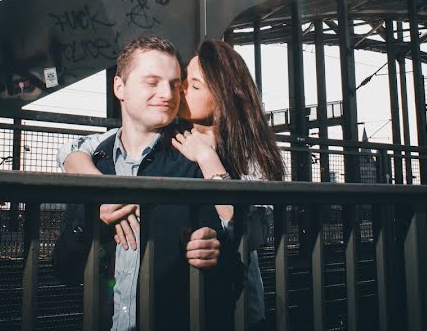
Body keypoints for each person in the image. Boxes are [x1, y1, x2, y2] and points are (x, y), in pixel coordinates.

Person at [58, 39, 284, 331]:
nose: (175, 92)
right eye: (182, 83)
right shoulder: (172, 139)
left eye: (191, 85)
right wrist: (98, 185)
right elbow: (76, 148)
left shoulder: (241, 154)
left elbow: (246, 235)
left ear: (223, 97)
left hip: (241, 307)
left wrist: (206, 157)